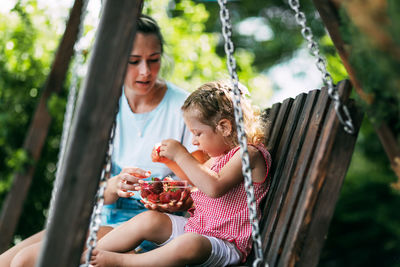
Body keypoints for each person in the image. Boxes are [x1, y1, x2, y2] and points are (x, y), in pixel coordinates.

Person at [0, 14, 202, 267]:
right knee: (4, 261)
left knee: (25, 262)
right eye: (133, 61)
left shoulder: (183, 109)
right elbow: (82, 191)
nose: (145, 71)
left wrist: (175, 195)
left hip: (146, 227)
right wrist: (113, 186)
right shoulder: (105, 107)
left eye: (154, 60)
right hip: (100, 219)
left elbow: (200, 182)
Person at [86, 80, 272, 267]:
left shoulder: (248, 154)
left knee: (188, 244)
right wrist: (170, 163)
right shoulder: (219, 157)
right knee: (149, 220)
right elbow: (195, 178)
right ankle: (88, 256)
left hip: (226, 243)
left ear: (224, 127)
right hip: (199, 228)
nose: (194, 141)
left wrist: (181, 153)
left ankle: (123, 262)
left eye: (197, 133)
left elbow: (214, 187)